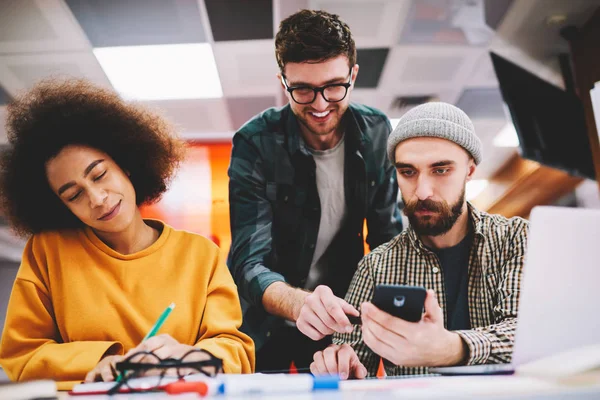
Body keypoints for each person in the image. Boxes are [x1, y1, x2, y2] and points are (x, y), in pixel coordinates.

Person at [0, 79, 254, 390]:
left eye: (100, 174)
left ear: (127, 165)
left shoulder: (201, 255)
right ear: (60, 206)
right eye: (73, 195)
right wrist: (98, 361)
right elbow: (21, 356)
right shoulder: (48, 253)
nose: (97, 198)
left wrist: (191, 356)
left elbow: (236, 350)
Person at [227, 9, 403, 371]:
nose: (320, 104)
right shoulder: (255, 142)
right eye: (303, 89)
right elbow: (247, 261)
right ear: (283, 81)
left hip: (341, 316)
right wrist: (299, 304)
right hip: (266, 320)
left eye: (334, 86)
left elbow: (388, 241)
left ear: (353, 75)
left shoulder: (377, 134)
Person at [310, 102, 529, 379]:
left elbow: (528, 332)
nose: (423, 191)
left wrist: (452, 348)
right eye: (408, 172)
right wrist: (341, 366)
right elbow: (350, 355)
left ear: (470, 171)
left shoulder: (514, 239)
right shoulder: (376, 266)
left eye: (440, 170)